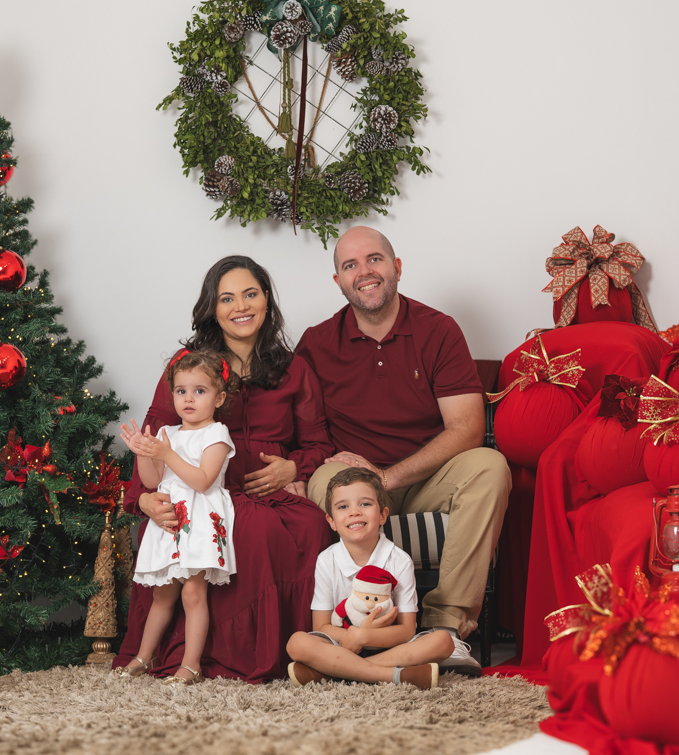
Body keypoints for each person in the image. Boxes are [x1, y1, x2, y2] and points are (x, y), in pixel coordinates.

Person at [296, 226, 512, 676]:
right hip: (354, 483)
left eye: (374, 259)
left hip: (428, 477)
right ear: (338, 281)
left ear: (396, 267)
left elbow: (468, 428)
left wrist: (387, 477)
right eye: (350, 265)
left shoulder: (438, 330)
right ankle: (351, 625)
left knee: (490, 466)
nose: (364, 272)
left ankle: (446, 630)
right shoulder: (317, 343)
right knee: (322, 479)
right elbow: (301, 429)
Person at [112, 256, 335, 682]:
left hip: (268, 489)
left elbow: (318, 442)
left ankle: (296, 648)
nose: (241, 306)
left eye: (250, 294)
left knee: (310, 525)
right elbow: (154, 436)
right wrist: (142, 500)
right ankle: (213, 655)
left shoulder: (294, 368)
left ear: (266, 299)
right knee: (250, 529)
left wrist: (293, 468)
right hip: (202, 489)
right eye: (227, 298)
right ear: (212, 308)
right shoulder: (188, 364)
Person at [118, 349, 237, 685]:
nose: (189, 399)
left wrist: (166, 453)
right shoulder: (166, 434)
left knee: (193, 593)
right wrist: (143, 453)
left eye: (199, 391)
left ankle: (190, 664)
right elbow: (153, 480)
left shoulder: (216, 434)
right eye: (181, 391)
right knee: (163, 594)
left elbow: (203, 480)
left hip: (200, 518)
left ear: (218, 398)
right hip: (169, 521)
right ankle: (144, 656)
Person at [286, 467, 453, 689]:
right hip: (341, 645)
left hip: (388, 646)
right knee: (297, 643)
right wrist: (350, 637)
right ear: (331, 521)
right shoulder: (326, 560)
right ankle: (393, 675)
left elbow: (406, 630)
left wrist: (363, 637)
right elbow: (321, 626)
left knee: (443, 641)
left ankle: (333, 672)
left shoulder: (400, 560)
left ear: (383, 515)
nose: (354, 512)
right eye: (343, 506)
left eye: (365, 504)